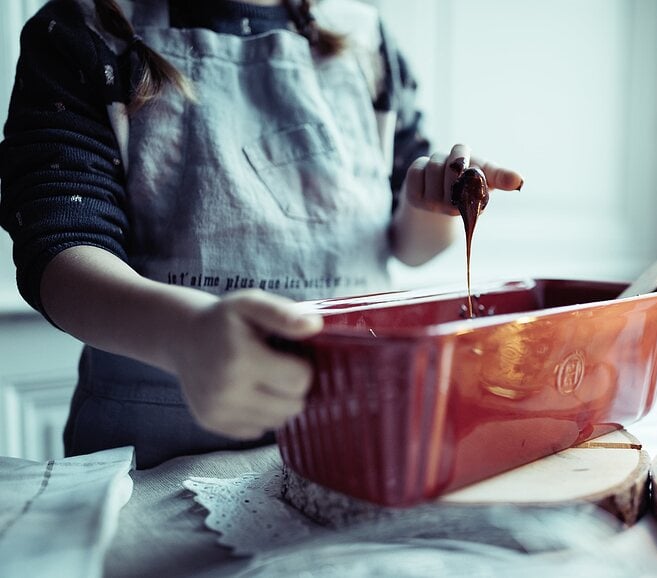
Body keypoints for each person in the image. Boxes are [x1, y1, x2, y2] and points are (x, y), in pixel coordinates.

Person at [0, 0, 524, 468]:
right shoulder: (81, 29)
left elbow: (412, 249)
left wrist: (428, 203)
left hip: (356, 441)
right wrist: (186, 335)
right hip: (157, 455)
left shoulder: (367, 38)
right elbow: (60, 254)